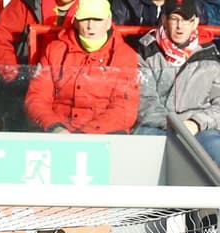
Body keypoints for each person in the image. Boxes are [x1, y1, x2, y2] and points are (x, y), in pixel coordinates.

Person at [135, 0, 220, 168]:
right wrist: (172, 124)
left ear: (195, 22)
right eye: (174, 19)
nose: (179, 26)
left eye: (186, 20)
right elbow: (144, 100)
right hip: (156, 124)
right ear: (164, 20)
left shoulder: (213, 56)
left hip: (197, 126)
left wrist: (196, 123)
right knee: (142, 143)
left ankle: (202, 194)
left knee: (214, 147)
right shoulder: (145, 52)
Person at [24, 0, 140, 135]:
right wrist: (54, 126)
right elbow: (36, 97)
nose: (90, 26)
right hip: (58, 133)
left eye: (97, 20)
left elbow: (124, 109)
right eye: (85, 19)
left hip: (104, 135)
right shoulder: (55, 51)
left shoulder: (125, 56)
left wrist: (86, 134)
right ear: (76, 21)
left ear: (108, 22)